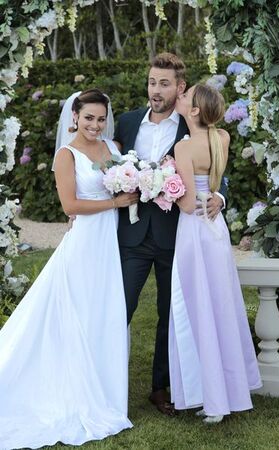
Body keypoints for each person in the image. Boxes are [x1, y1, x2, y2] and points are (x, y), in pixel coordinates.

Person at [0, 89, 138, 448]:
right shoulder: (66, 154)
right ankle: (73, 389)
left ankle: (103, 388)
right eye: (88, 117)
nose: (95, 125)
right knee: (77, 313)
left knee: (103, 313)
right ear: (75, 116)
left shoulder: (113, 150)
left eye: (101, 118)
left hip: (110, 242)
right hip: (84, 244)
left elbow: (128, 182)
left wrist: (136, 189)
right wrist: (116, 201)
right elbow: (70, 204)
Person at [114, 53, 228, 415]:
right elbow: (107, 164)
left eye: (164, 84)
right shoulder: (127, 122)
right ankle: (106, 380)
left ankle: (161, 387)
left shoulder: (191, 127)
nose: (155, 90)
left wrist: (221, 197)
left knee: (170, 311)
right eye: (151, 82)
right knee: (119, 307)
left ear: (180, 89)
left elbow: (218, 169)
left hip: (177, 235)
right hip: (132, 234)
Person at [168, 83, 262, 424]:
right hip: (216, 231)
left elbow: (190, 202)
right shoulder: (221, 138)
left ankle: (211, 396)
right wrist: (218, 198)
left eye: (185, 96)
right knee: (221, 304)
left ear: (194, 110)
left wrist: (163, 186)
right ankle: (232, 389)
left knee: (199, 306)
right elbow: (213, 186)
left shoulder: (184, 147)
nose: (180, 97)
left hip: (194, 231)